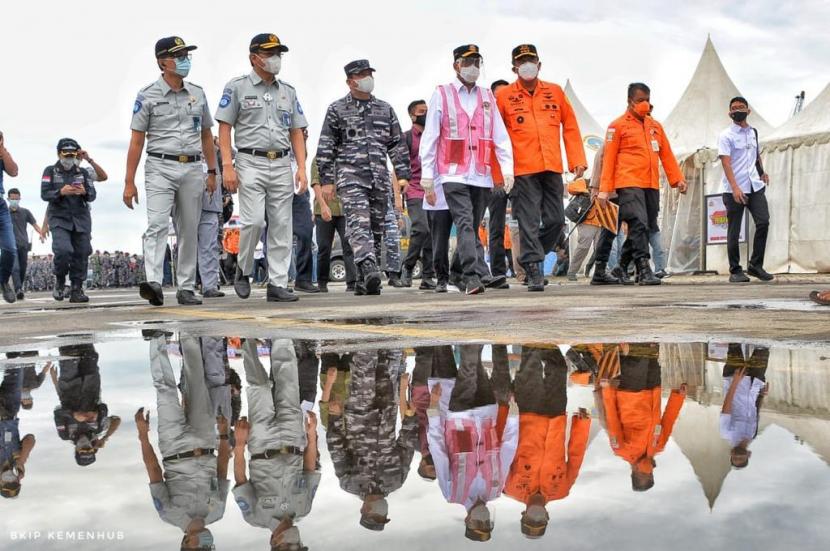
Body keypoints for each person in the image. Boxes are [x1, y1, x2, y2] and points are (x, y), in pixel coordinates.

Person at [125, 36, 219, 306]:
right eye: (178, 55)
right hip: (159, 166)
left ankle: (186, 287)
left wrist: (212, 172)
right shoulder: (147, 96)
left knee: (188, 228)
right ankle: (154, 282)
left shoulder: (198, 93)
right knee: (157, 224)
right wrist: (129, 182)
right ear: (162, 62)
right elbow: (136, 141)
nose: (184, 60)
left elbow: (206, 135)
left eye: (186, 54)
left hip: (192, 167)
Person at [217, 34, 307, 303]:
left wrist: (301, 167)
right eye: (269, 54)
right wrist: (226, 167)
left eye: (278, 53)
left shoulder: (287, 91)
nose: (275, 59)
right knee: (254, 221)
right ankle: (243, 270)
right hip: (249, 161)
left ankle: (277, 284)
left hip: (280, 162)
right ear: (254, 58)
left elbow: (297, 132)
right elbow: (224, 128)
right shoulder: (237, 87)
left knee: (282, 225)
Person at [420, 45, 514, 295]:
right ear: (456, 65)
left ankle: (458, 272)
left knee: (471, 225)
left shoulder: (487, 96)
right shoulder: (442, 94)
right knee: (464, 223)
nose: (473, 67)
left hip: (481, 174)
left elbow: (500, 135)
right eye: (467, 62)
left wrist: (507, 169)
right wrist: (427, 176)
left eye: (476, 62)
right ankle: (473, 275)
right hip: (452, 173)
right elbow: (430, 136)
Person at [495, 45, 586, 291]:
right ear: (514, 67)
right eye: (522, 61)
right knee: (528, 221)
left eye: (531, 60)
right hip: (522, 170)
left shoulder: (554, 92)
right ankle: (533, 268)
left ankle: (531, 255)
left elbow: (570, 125)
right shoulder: (503, 97)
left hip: (551, 166)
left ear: (539, 64)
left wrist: (576, 158)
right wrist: (500, 172)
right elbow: (497, 136)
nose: (527, 64)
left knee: (556, 220)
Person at [316, 59, 411, 296]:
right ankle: (369, 267)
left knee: (377, 227)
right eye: (362, 74)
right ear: (350, 81)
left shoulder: (385, 109)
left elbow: (397, 144)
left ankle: (362, 279)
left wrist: (403, 175)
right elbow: (326, 146)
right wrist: (327, 180)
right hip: (350, 176)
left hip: (378, 176)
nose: (367, 78)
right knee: (359, 223)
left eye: (369, 73)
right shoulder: (337, 109)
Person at [137, 332, 232, 550]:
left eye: (201, 548)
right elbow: (222, 470)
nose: (207, 546)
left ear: (187, 544)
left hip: (174, 446)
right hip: (206, 441)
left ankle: (156, 339)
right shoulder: (217, 512)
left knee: (165, 390)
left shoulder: (168, 514)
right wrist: (224, 435)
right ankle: (187, 331)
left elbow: (153, 471)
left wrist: (143, 436)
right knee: (196, 379)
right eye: (210, 548)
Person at [233, 338, 321, 550]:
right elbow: (310, 469)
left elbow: (241, 480)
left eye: (289, 548)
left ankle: (246, 341)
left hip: (262, 445)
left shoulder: (255, 517)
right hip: (293, 439)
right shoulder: (304, 508)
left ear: (275, 542)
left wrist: (239, 444)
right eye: (299, 547)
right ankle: (282, 335)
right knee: (288, 381)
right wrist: (311, 435)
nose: (296, 544)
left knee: (260, 387)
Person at [596, 83, 687, 285]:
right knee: (635, 223)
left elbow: (667, 155)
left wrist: (677, 179)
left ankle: (621, 266)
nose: (645, 104)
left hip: (651, 184)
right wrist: (603, 190)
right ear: (629, 101)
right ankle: (643, 269)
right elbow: (608, 159)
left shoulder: (655, 126)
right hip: (627, 182)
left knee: (646, 227)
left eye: (648, 100)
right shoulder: (617, 126)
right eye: (640, 100)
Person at [427, 344, 517, 542]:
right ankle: (475, 329)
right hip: (487, 415)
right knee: (476, 366)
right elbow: (507, 451)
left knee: (468, 367)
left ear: (468, 521)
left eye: (479, 524)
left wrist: (433, 411)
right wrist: (513, 418)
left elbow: (439, 452)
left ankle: (471, 329)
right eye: (487, 524)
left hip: (459, 417)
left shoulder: (452, 494)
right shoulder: (495, 490)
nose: (483, 521)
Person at [504, 347, 591, 539]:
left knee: (530, 364)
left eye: (531, 519)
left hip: (528, 415)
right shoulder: (562, 490)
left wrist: (505, 413)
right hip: (555, 417)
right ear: (547, 517)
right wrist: (582, 424)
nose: (536, 516)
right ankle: (547, 334)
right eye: (539, 520)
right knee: (559, 368)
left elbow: (503, 451)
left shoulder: (509, 488)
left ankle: (531, 328)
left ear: (523, 515)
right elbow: (576, 457)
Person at [327, 349, 417, 531]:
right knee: (388, 364)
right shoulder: (396, 481)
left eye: (376, 514)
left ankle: (364, 331)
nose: (381, 511)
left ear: (364, 510)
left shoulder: (349, 483)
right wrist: (409, 418)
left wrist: (335, 418)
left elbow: (337, 449)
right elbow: (406, 447)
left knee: (363, 366)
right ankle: (388, 334)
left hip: (359, 413)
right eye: (383, 515)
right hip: (386, 413)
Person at [595, 343, 686, 491]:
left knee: (638, 356)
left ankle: (633, 328)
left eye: (646, 475)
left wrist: (607, 391)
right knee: (650, 352)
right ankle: (645, 330)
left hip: (631, 393)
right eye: (651, 475)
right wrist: (679, 397)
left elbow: (612, 419)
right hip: (653, 389)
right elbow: (669, 419)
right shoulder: (658, 446)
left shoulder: (621, 449)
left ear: (635, 473)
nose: (650, 471)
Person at [41, 138, 107, 303]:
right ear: (59, 153)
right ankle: (61, 281)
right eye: (66, 153)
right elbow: (44, 194)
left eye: (73, 154)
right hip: (59, 218)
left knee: (82, 252)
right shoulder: (50, 171)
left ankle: (77, 288)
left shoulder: (83, 173)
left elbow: (92, 195)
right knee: (63, 250)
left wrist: (84, 192)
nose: (69, 157)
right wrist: (60, 192)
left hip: (81, 218)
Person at [719, 96, 774, 283]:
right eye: (733, 108)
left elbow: (755, 154)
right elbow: (726, 163)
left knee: (763, 222)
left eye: (741, 107)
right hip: (735, 188)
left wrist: (762, 171)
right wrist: (735, 188)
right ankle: (735, 270)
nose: (737, 110)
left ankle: (755, 265)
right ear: (729, 113)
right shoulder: (726, 135)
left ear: (748, 111)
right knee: (734, 230)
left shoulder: (753, 132)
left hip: (754, 186)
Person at [50, 344, 121, 466]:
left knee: (68, 352)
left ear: (76, 450)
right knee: (89, 352)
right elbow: (111, 415)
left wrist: (73, 415)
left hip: (68, 387)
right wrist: (104, 436)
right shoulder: (98, 429)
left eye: (82, 449)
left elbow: (57, 413)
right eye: (89, 449)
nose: (85, 446)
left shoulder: (65, 434)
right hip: (91, 386)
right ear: (93, 449)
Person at [400, 100, 436, 290]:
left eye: (428, 111)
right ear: (413, 116)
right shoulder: (406, 137)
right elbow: (398, 167)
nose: (426, 114)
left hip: (433, 189)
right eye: (422, 111)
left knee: (432, 234)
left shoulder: (434, 136)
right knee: (421, 228)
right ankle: (408, 266)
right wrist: (398, 195)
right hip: (414, 188)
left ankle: (428, 276)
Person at [311, 158, 357, 293]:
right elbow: (315, 183)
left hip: (344, 210)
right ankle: (322, 283)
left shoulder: (346, 157)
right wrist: (323, 205)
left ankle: (352, 283)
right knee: (324, 247)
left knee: (348, 245)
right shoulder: (318, 159)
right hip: (324, 209)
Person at [720, 344, 769, 469]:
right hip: (755, 384)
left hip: (735, 378)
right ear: (748, 455)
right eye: (741, 458)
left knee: (734, 345)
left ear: (730, 454)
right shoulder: (752, 434)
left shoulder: (727, 433)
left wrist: (736, 381)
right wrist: (762, 395)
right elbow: (755, 412)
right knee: (762, 349)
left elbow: (727, 406)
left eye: (734, 458)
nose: (737, 456)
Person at [292, 128, 319, 293]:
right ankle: (276, 279)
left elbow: (303, 157)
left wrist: (303, 141)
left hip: (297, 189)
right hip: (273, 185)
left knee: (305, 231)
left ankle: (303, 279)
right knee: (275, 233)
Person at [1, 366, 35, 499]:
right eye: (13, 482)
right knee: (16, 366)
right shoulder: (18, 459)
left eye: (7, 483)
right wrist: (21, 460)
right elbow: (30, 439)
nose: (10, 480)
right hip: (10, 410)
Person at [197, 140, 225, 298]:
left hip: (210, 200)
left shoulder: (214, 148)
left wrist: (215, 145)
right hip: (187, 200)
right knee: (186, 246)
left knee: (210, 246)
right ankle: (186, 284)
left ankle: (210, 285)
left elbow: (231, 153)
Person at [6, 188, 46, 300]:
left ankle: (19, 288)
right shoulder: (4, 213)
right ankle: (18, 289)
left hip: (23, 244)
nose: (14, 200)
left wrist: (41, 233)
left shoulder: (25, 212)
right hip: (10, 246)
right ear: (8, 199)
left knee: (22, 268)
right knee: (15, 268)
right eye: (12, 199)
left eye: (16, 199)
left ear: (19, 199)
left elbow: (35, 224)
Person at [0, 131, 20, 303]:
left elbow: (14, 171)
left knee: (10, 249)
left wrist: (2, 149)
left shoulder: (2, 154)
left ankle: (4, 281)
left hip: (0, 206)